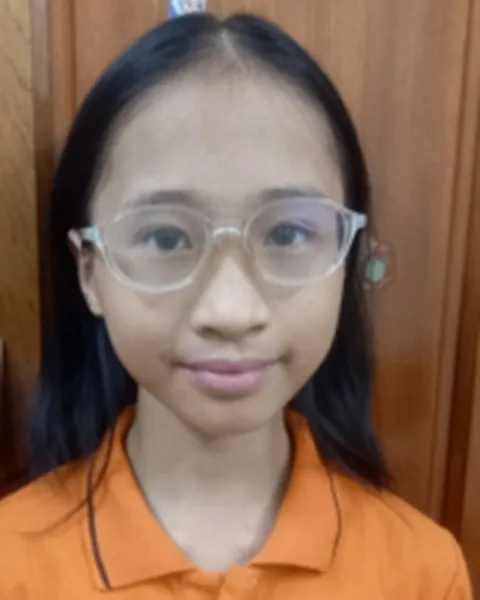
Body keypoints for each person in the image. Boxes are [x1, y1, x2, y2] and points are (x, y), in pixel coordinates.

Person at [0, 13, 471, 599]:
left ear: (348, 259)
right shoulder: (11, 565)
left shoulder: (423, 573)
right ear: (90, 273)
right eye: (166, 237)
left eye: (288, 233)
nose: (230, 311)